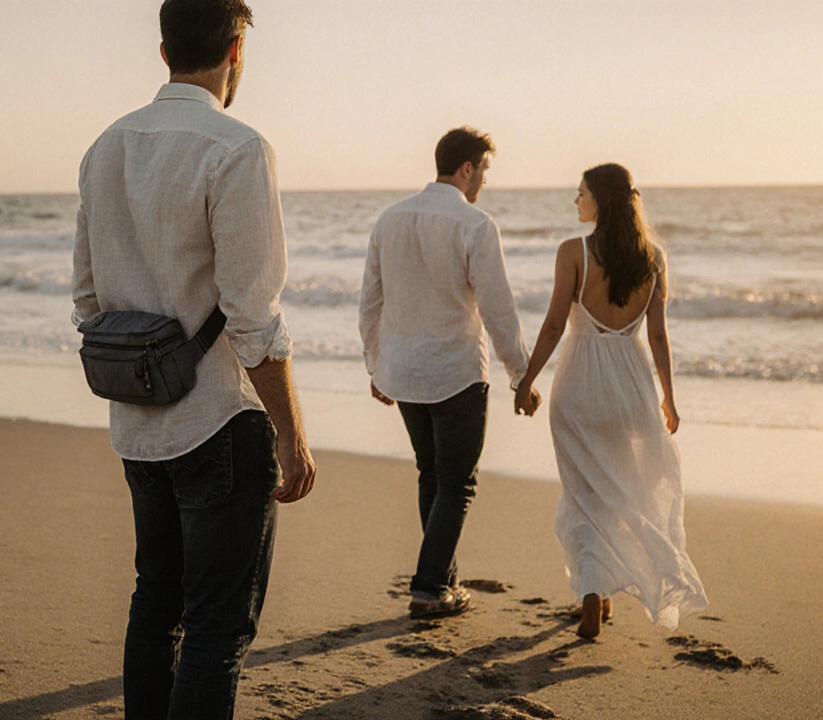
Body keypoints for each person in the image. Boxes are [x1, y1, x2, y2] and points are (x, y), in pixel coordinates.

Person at [70, 1, 317, 716]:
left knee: (157, 599)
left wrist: (139, 365)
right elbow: (254, 317)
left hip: (137, 416)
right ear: (236, 49)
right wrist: (291, 433)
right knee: (219, 621)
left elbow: (87, 297)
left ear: (163, 50)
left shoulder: (105, 147)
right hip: (219, 421)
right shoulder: (237, 147)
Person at [514, 163, 707, 639]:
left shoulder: (572, 252)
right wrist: (669, 398)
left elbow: (555, 326)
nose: (575, 201)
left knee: (585, 495)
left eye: (580, 194)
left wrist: (526, 379)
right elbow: (659, 335)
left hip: (578, 387)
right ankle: (602, 593)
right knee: (620, 491)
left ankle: (592, 598)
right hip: (630, 388)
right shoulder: (653, 257)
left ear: (599, 199)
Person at [359, 127, 532, 620]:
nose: (484, 183)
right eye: (483, 172)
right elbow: (499, 310)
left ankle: (444, 580)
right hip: (456, 371)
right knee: (457, 482)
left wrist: (377, 364)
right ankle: (431, 586)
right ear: (466, 169)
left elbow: (370, 303)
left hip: (405, 371)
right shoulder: (475, 224)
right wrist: (520, 375)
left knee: (432, 475)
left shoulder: (389, 219)